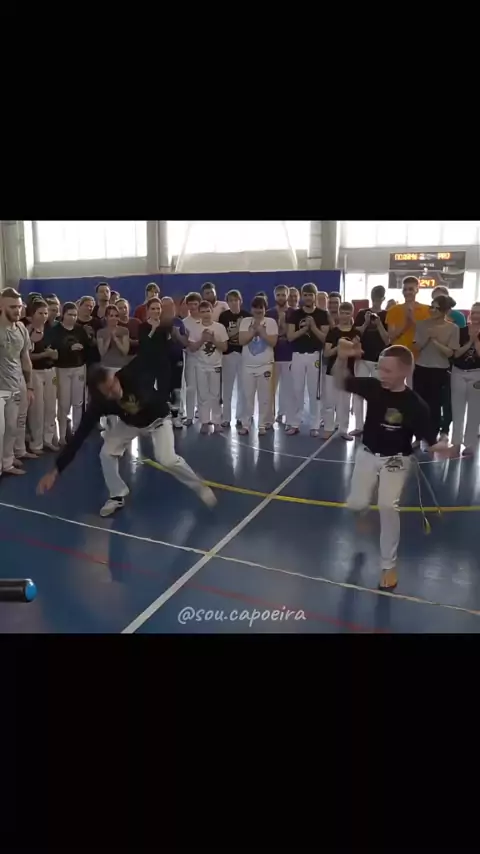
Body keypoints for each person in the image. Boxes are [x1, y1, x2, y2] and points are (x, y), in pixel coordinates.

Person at [334, 339, 456, 592]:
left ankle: (388, 566)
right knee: (356, 503)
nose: (381, 374)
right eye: (380, 368)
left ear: (405, 371)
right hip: (367, 454)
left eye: (388, 370)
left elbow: (430, 441)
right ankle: (362, 510)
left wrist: (442, 448)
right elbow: (339, 382)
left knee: (388, 505)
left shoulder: (416, 405)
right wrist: (342, 358)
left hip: (396, 460)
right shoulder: (373, 387)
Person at [36, 360, 217, 517]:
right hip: (130, 424)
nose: (113, 391)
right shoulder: (99, 404)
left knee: (167, 459)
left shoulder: (132, 376)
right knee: (107, 452)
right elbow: (79, 437)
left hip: (158, 420)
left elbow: (151, 385)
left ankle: (200, 487)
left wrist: (147, 399)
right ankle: (117, 494)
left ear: (113, 377)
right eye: (107, 391)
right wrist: (55, 471)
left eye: (112, 384)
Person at [0, 288, 37, 475]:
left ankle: (7, 462)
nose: (18, 310)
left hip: (16, 384)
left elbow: (25, 358)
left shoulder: (21, 328)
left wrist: (29, 385)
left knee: (12, 426)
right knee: (1, 429)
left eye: (19, 306)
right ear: (1, 306)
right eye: (13, 307)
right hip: (0, 387)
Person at [286, 283, 330, 437]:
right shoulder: (295, 314)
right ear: (302, 296)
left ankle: (315, 424)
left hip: (315, 355)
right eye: (305, 295)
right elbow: (290, 336)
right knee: (296, 389)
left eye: (311, 295)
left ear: (315, 296)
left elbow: (325, 338)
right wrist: (305, 329)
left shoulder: (322, 314)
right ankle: (295, 423)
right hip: (298, 355)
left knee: (314, 391)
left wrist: (313, 327)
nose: (308, 297)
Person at [413, 295, 459, 439]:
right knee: (419, 403)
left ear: (444, 310)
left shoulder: (452, 328)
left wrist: (434, 340)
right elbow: (417, 347)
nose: (432, 310)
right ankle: (418, 436)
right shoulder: (421, 324)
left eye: (436, 308)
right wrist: (427, 337)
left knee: (435, 405)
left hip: (439, 370)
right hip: (421, 367)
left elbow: (450, 353)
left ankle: (432, 437)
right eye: (431, 307)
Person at [49, 302, 89, 444]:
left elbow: (87, 347)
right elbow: (53, 349)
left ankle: (76, 431)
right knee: (63, 403)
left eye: (75, 315)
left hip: (79, 367)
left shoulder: (80, 330)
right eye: (70, 314)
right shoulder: (56, 331)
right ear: (63, 314)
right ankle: (62, 435)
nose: (72, 317)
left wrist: (83, 349)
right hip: (62, 368)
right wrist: (68, 349)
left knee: (78, 402)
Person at [186, 300, 228, 434]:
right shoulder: (195, 328)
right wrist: (202, 339)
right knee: (202, 394)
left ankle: (217, 422)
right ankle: (204, 422)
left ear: (212, 311)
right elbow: (192, 348)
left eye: (208, 311)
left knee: (215, 394)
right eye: (203, 312)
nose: (205, 314)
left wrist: (213, 340)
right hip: (200, 365)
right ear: (199, 313)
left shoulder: (219, 327)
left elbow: (224, 347)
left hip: (216, 365)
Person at [238, 296, 278, 436]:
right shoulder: (245, 322)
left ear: (265, 309)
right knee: (247, 396)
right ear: (251, 309)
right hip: (248, 365)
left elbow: (273, 342)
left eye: (261, 307)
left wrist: (261, 331)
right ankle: (246, 424)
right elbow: (242, 340)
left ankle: (262, 424)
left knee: (264, 397)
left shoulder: (271, 322)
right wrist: (253, 331)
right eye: (256, 307)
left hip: (265, 365)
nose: (258, 310)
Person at [353, 285, 389, 434]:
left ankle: (375, 424)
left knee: (377, 394)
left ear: (383, 299)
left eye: (379, 298)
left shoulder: (386, 315)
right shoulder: (362, 313)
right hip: (362, 358)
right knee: (358, 393)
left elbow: (387, 340)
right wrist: (366, 323)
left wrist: (379, 324)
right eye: (374, 297)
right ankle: (359, 426)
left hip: (378, 359)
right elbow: (355, 335)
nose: (376, 300)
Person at [323, 301, 361, 439]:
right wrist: (339, 348)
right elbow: (326, 353)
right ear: (338, 314)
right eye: (342, 313)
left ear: (352, 314)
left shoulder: (356, 332)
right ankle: (328, 427)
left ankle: (343, 429)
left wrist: (352, 348)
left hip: (347, 371)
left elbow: (359, 354)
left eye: (347, 313)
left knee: (345, 403)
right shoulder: (333, 332)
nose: (344, 316)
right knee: (329, 401)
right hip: (332, 371)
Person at [27, 300, 58, 453]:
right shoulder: (28, 331)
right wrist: (45, 354)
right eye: (40, 313)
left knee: (51, 406)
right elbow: (27, 357)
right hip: (35, 372)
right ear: (32, 314)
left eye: (46, 313)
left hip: (50, 370)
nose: (44, 316)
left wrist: (54, 354)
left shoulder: (51, 330)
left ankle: (48, 439)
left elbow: (57, 352)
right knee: (37, 409)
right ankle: (36, 443)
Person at [451, 302, 480, 456]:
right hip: (458, 372)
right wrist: (470, 340)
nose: (475, 316)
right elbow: (456, 354)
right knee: (457, 409)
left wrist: (476, 340)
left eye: (479, 313)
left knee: (475, 410)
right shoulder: (460, 331)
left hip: (477, 373)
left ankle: (470, 443)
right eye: (473, 312)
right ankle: (456, 442)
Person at [218, 290, 251, 428]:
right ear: (227, 302)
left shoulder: (247, 316)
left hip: (243, 353)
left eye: (236, 300)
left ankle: (241, 416)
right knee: (227, 387)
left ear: (240, 301)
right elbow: (221, 334)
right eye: (230, 300)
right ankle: (226, 417)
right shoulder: (224, 316)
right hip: (228, 354)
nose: (233, 303)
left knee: (243, 387)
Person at [386, 276, 430, 375]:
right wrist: (406, 325)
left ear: (417, 290)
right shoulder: (393, 310)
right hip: (398, 355)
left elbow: (427, 334)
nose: (407, 292)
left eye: (411, 289)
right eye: (405, 289)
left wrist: (413, 321)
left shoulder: (427, 310)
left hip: (420, 357)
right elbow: (391, 337)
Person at [266, 285, 293, 425]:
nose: (281, 297)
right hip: (272, 356)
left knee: (288, 389)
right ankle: (268, 418)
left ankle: (286, 415)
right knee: (270, 389)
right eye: (278, 295)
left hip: (289, 356)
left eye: (283, 295)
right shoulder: (269, 313)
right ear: (274, 296)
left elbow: (291, 334)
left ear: (287, 295)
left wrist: (284, 322)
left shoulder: (294, 312)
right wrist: (279, 322)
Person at [160, 296, 188, 428]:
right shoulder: (157, 323)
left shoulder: (178, 322)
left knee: (176, 389)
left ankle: (176, 416)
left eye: (170, 306)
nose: (168, 309)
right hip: (161, 361)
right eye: (165, 306)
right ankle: (164, 416)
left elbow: (185, 342)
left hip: (177, 360)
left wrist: (178, 336)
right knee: (163, 389)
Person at [182, 292, 203, 426]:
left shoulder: (207, 321)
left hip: (206, 359)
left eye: (196, 304)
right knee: (191, 388)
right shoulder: (184, 322)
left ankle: (202, 414)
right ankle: (189, 416)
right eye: (190, 304)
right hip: (191, 358)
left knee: (204, 388)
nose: (193, 307)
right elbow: (184, 342)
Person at [97, 305, 131, 374]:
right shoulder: (100, 332)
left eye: (116, 316)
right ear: (106, 317)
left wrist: (116, 338)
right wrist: (109, 337)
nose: (114, 318)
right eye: (111, 316)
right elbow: (102, 353)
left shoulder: (124, 331)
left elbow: (125, 351)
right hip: (105, 367)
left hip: (121, 367)